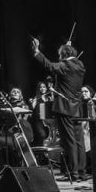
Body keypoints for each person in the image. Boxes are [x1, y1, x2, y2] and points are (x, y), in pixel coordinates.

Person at [31, 37, 86, 181]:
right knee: (79, 141)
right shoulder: (80, 65)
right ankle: (81, 172)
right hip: (77, 108)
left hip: (65, 108)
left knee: (69, 141)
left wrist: (37, 52)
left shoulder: (65, 65)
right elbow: (68, 62)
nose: (59, 56)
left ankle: (73, 173)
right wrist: (67, 51)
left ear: (64, 55)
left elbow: (49, 65)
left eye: (60, 54)